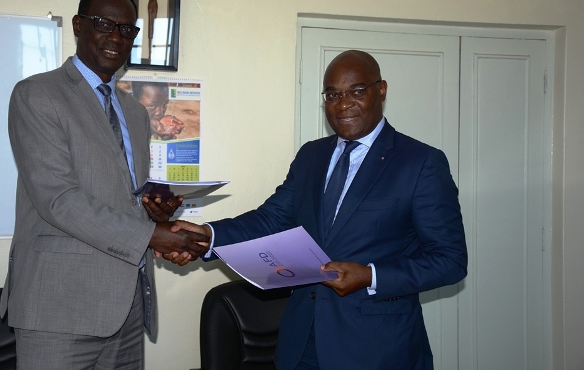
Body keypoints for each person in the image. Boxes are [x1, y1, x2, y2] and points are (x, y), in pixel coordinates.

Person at [150, 50, 468, 369]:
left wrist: (370, 275)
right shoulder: (311, 156)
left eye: (357, 91)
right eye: (333, 94)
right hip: (302, 342)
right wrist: (207, 236)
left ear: (381, 90)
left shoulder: (421, 163)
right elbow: (272, 218)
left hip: (376, 348)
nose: (343, 104)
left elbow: (450, 260)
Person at [0, 0, 208, 370]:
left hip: (126, 307)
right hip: (58, 308)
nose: (116, 37)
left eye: (127, 30)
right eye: (104, 24)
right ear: (78, 25)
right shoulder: (37, 94)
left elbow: (127, 196)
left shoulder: (135, 111)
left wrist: (156, 213)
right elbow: (58, 200)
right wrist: (150, 235)